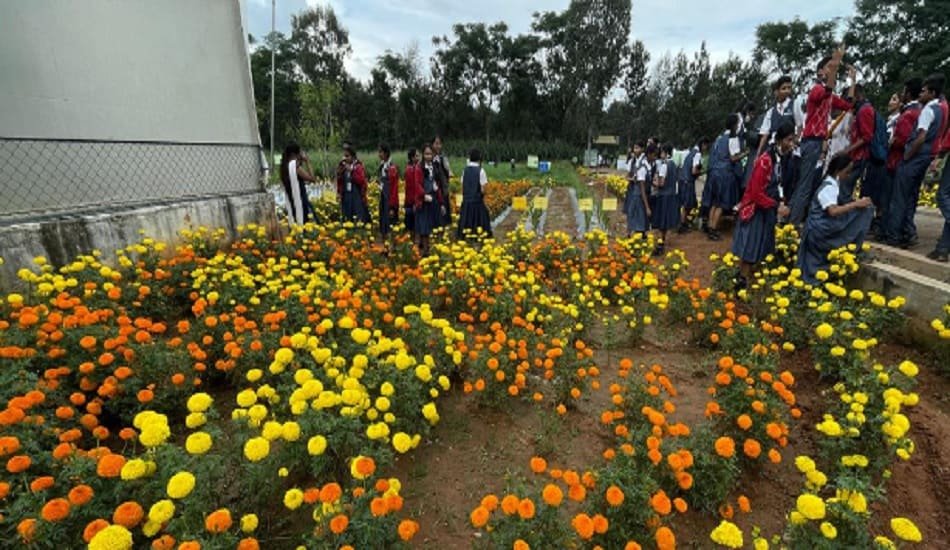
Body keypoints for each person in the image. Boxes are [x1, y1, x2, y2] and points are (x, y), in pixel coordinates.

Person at [788, 48, 856, 225]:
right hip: (811, 142)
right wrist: (836, 64)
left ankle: (793, 220)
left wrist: (853, 81)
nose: (832, 69)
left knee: (808, 183)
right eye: (828, 67)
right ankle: (793, 224)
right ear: (820, 72)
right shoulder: (816, 90)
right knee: (805, 185)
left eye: (832, 68)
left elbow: (848, 105)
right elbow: (828, 90)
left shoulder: (829, 95)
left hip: (818, 143)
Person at [731, 122, 796, 290]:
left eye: (793, 140)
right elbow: (755, 193)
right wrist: (776, 206)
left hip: (766, 210)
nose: (792, 144)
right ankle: (741, 284)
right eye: (789, 140)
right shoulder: (765, 161)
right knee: (749, 250)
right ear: (780, 140)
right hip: (756, 211)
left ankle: (745, 281)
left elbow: (777, 184)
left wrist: (780, 201)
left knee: (758, 249)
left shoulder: (779, 159)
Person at [884, 75, 944, 248]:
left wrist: (908, 155)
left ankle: (893, 235)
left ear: (932, 93)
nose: (921, 94)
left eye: (924, 91)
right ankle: (907, 232)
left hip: (915, 157)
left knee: (900, 197)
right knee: (911, 197)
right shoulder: (940, 110)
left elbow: (921, 137)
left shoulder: (927, 110)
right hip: (925, 157)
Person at [798, 154, 874, 284]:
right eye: (847, 172)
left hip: (820, 226)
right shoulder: (829, 187)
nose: (848, 175)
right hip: (819, 230)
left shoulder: (834, 184)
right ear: (838, 171)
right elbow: (833, 211)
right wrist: (856, 205)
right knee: (864, 211)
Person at [879, 80, 923, 243]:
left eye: (903, 92)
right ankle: (906, 231)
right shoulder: (920, 111)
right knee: (907, 199)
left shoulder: (908, 114)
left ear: (908, 94)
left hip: (896, 161)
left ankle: (892, 234)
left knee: (894, 200)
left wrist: (892, 142)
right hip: (909, 161)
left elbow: (902, 140)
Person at [706, 114, 747, 241]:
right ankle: (713, 230)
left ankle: (710, 226)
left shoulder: (719, 138)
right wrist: (746, 153)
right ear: (735, 125)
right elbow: (733, 158)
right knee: (722, 204)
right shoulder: (732, 138)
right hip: (724, 173)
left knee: (714, 202)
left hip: (714, 172)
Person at [839, 84, 881, 206]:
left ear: (857, 96)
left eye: (850, 99)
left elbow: (866, 137)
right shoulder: (860, 111)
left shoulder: (865, 111)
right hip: (856, 156)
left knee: (845, 189)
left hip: (859, 157)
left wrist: (847, 150)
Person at [926, 74, 950, 262]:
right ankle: (942, 248)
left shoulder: (939, 106)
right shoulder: (944, 105)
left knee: (942, 195)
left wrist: (940, 154)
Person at [412, 145, 443, 256]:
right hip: (424, 200)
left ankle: (431, 249)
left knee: (432, 225)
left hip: (433, 199)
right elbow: (417, 184)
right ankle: (425, 250)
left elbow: (436, 184)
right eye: (426, 154)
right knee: (424, 227)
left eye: (430, 154)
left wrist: (441, 202)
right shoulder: (419, 168)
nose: (428, 156)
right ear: (423, 155)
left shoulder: (434, 167)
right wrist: (423, 195)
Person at [457, 148, 493, 240]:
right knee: (481, 224)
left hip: (466, 202)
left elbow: (462, 186)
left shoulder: (465, 170)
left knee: (465, 223)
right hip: (477, 203)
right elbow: (483, 189)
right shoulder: (481, 171)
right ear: (479, 159)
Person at [651, 143, 679, 255]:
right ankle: (662, 241)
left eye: (662, 152)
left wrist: (654, 183)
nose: (660, 154)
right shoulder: (673, 164)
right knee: (666, 221)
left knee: (660, 222)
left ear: (666, 153)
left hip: (663, 196)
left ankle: (660, 245)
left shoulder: (664, 165)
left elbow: (661, 183)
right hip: (671, 196)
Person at [279, 143, 316, 226]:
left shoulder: (285, 166)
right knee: (305, 221)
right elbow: (312, 178)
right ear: (294, 154)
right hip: (300, 198)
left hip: (292, 198)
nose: (302, 154)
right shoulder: (295, 166)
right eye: (300, 152)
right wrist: (307, 162)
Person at [679, 137, 709, 233]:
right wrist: (702, 171)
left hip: (683, 180)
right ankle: (683, 225)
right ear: (703, 144)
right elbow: (694, 171)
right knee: (688, 205)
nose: (706, 148)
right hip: (688, 182)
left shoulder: (690, 153)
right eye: (706, 146)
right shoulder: (697, 154)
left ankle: (685, 222)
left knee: (690, 203)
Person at [625, 144, 655, 237]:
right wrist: (647, 207)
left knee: (642, 225)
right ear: (649, 154)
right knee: (639, 224)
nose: (655, 157)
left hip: (642, 197)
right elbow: (642, 188)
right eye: (654, 155)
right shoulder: (642, 167)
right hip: (639, 198)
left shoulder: (647, 164)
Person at [337, 146, 371, 224]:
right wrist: (339, 192)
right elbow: (340, 181)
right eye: (344, 156)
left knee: (357, 217)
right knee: (347, 217)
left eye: (347, 156)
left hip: (356, 196)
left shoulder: (358, 167)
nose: (345, 158)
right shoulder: (342, 167)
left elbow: (361, 180)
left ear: (353, 157)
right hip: (346, 196)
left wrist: (352, 171)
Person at [377, 144, 400, 247]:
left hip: (390, 199)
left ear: (386, 153)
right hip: (383, 198)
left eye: (381, 152)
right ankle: (384, 246)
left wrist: (392, 206)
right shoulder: (382, 166)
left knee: (390, 223)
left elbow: (394, 188)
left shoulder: (392, 168)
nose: (379, 154)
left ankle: (391, 246)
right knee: (383, 222)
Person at [432, 135, 453, 227]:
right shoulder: (428, 157)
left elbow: (448, 171)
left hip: (443, 187)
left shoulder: (443, 157)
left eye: (440, 144)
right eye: (436, 144)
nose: (438, 146)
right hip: (433, 188)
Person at [403, 149, 422, 242]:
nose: (419, 158)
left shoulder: (409, 168)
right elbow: (413, 187)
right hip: (412, 200)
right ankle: (415, 244)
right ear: (412, 157)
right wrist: (415, 201)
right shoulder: (412, 169)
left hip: (409, 200)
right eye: (417, 156)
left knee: (411, 224)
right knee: (414, 224)